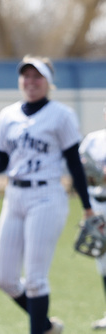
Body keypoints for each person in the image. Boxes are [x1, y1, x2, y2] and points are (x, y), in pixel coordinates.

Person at [0, 55, 94, 334]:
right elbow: (2, 160)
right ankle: (47, 326)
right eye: (26, 76)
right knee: (6, 280)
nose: (31, 81)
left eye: (37, 76)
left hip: (47, 196)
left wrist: (87, 207)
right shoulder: (8, 115)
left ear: (48, 82)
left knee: (36, 279)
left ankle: (39, 329)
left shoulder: (61, 115)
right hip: (14, 197)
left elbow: (74, 163)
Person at [78, 102, 106, 330]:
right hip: (99, 205)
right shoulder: (94, 140)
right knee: (103, 261)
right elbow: (81, 172)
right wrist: (87, 209)